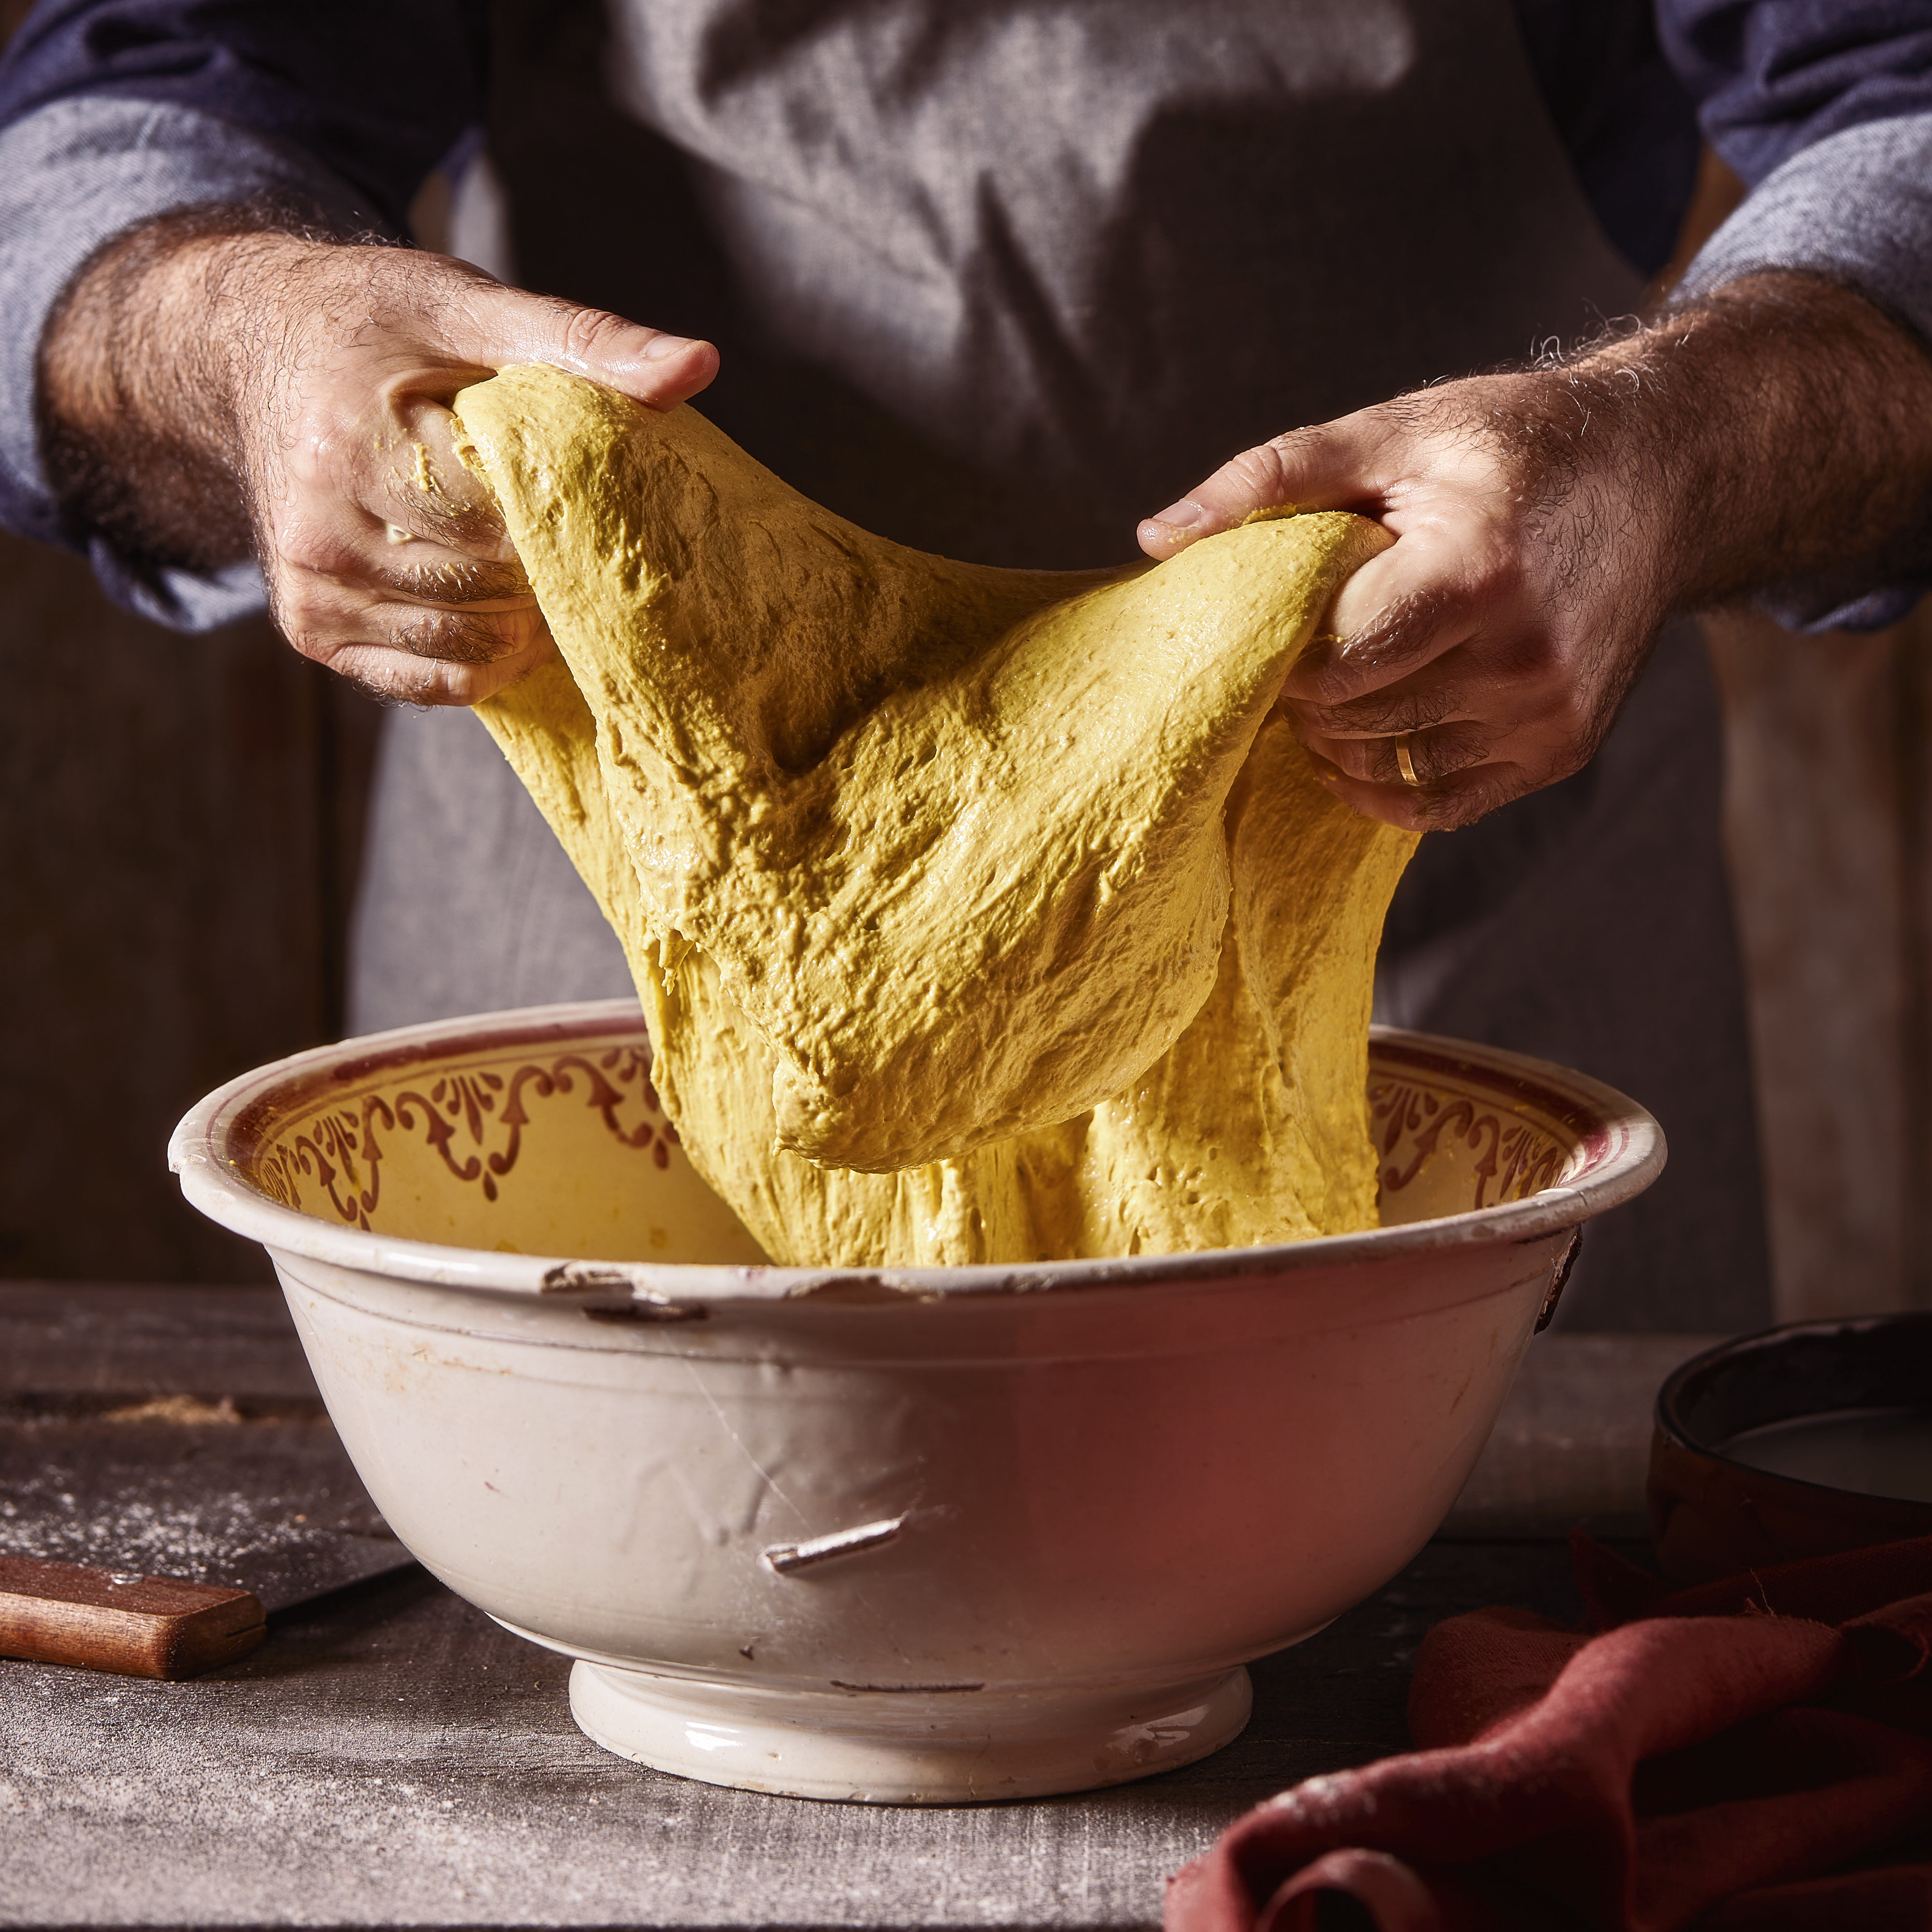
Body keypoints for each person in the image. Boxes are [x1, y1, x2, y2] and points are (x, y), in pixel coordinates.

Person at [4, 0, 1931, 1326]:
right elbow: (115, 122)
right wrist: (243, 338)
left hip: (1442, 940)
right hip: (620, 1018)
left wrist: (1663, 447)